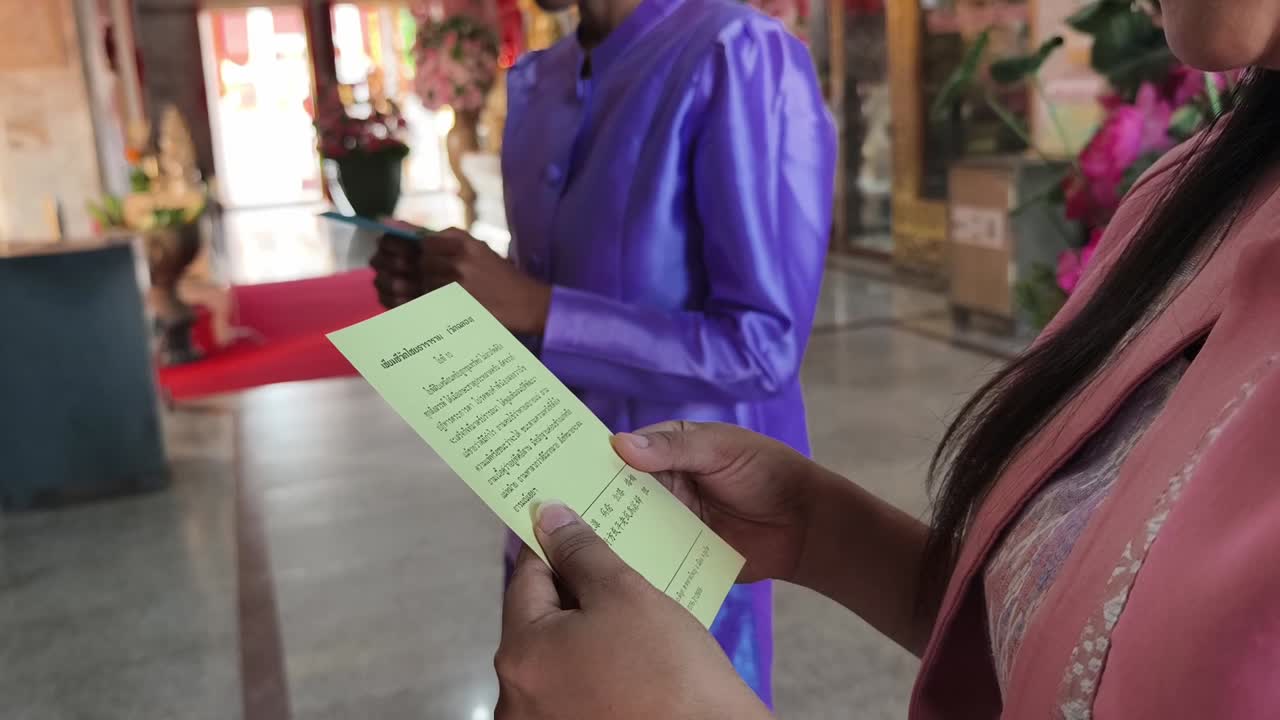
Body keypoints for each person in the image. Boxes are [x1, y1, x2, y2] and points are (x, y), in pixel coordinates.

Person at [490, 4, 1280, 718]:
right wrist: (821, 529)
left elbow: (760, 336)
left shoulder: (738, 53)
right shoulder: (1189, 193)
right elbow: (1065, 646)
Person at [370, 0, 835, 707]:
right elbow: (551, 294)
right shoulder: (540, 78)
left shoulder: (733, 52)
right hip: (543, 490)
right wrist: (463, 291)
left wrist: (536, 306)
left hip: (681, 515)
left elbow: (762, 346)